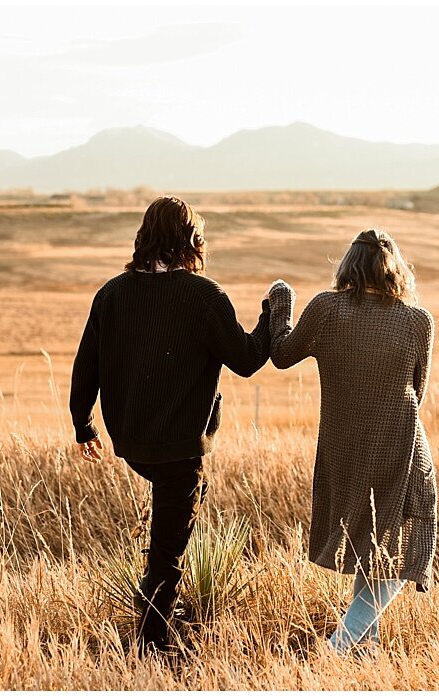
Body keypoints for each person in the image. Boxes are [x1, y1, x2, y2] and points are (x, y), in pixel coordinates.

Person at [69, 196, 270, 655]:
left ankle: (157, 603)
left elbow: (87, 366)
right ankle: (152, 643)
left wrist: (83, 424)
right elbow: (246, 360)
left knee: (178, 517)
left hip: (133, 441)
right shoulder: (204, 296)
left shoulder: (111, 294)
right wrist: (272, 314)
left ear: (144, 237)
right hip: (180, 447)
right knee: (169, 552)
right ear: (192, 241)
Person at [265, 228, 437, 658]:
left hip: (344, 452)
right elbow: (419, 389)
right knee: (399, 549)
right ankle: (341, 647)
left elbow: (282, 354)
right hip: (401, 449)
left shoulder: (327, 309)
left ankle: (363, 650)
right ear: (395, 267)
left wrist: (281, 304)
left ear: (348, 266)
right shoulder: (417, 321)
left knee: (373, 548)